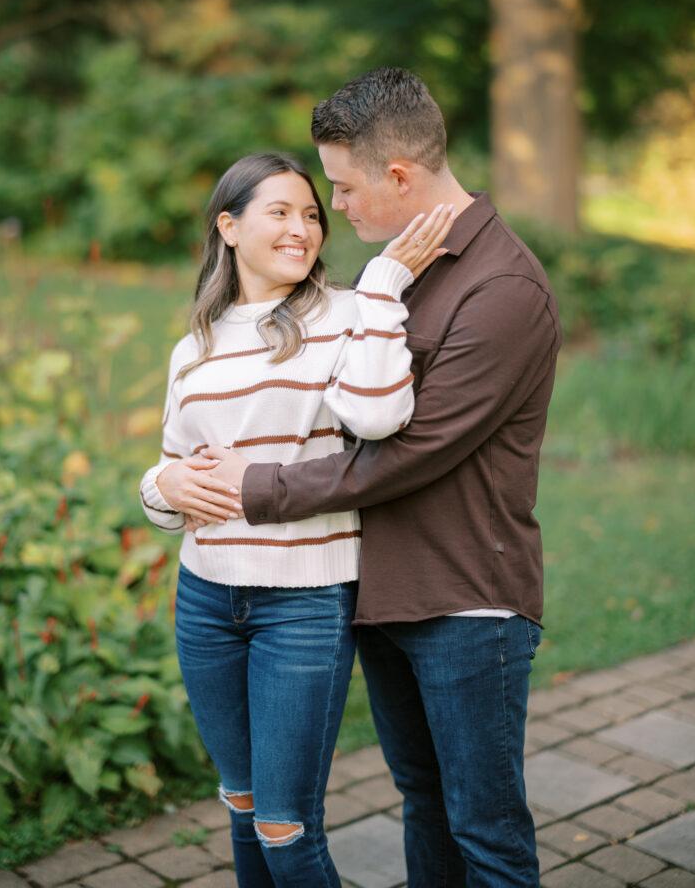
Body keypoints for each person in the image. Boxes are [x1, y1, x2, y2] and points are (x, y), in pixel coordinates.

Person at [194, 69, 562, 887]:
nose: (337, 209)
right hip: (383, 591)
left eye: (343, 187)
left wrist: (257, 488)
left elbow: (411, 451)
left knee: (487, 830)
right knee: (424, 800)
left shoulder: (501, 288)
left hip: (467, 602)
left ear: (399, 176)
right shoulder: (393, 272)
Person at [138, 150, 454, 888]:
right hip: (206, 599)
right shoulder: (196, 346)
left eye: (311, 214)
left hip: (304, 603)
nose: (302, 228)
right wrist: (162, 485)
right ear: (229, 226)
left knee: (286, 824)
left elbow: (380, 418)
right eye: (278, 211)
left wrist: (383, 283)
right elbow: (169, 473)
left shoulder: (347, 312)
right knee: (242, 802)